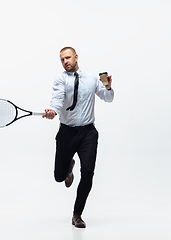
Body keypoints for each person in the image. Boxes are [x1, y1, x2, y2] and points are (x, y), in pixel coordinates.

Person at [43, 47, 114, 228]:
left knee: (88, 173)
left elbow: (108, 98)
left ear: (76, 57)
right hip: (67, 133)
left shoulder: (91, 79)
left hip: (88, 133)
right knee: (59, 177)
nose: (65, 61)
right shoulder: (60, 79)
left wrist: (108, 87)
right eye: (62, 60)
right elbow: (57, 99)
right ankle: (68, 167)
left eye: (68, 58)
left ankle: (77, 214)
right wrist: (53, 111)